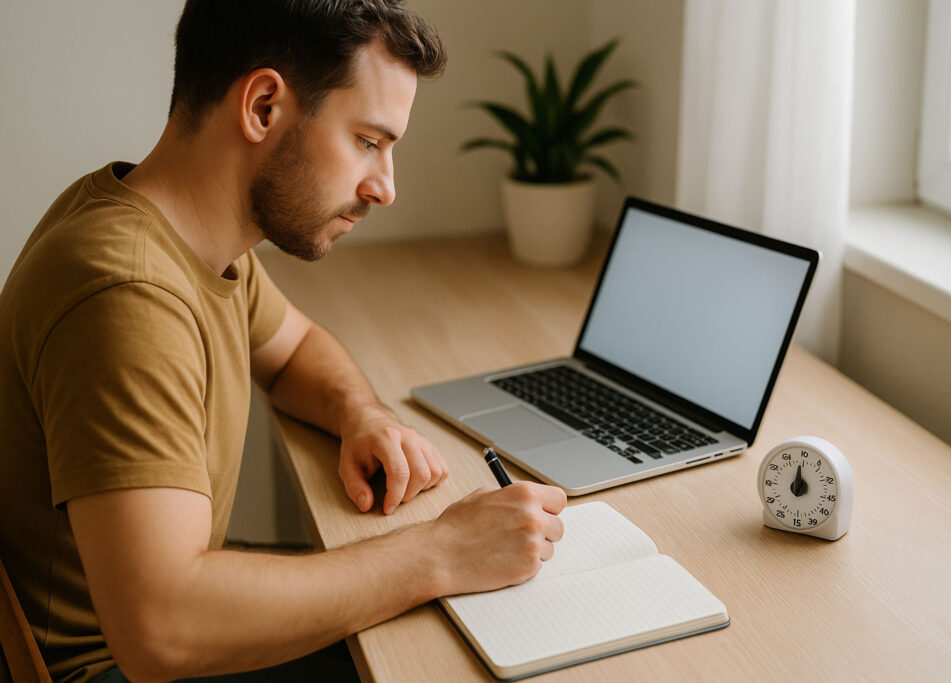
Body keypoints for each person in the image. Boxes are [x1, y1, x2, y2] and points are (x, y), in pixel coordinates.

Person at [0, 1, 567, 681]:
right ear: (264, 107)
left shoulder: (192, 234)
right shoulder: (127, 290)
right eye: (368, 140)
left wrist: (362, 414)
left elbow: (295, 349)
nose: (384, 186)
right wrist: (441, 551)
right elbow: (161, 629)